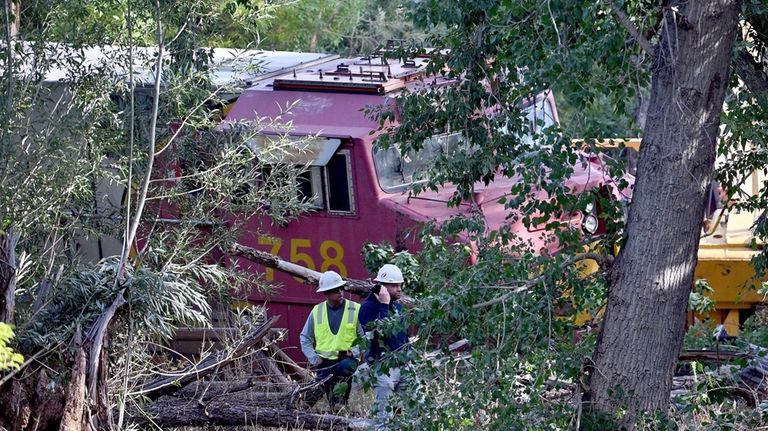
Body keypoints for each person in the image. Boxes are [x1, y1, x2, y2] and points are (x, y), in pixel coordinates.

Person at [300, 270, 363, 408]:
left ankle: (340, 403)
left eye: (341, 288)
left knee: (345, 369)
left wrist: (354, 351)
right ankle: (309, 407)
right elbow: (305, 337)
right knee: (319, 388)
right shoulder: (317, 311)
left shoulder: (355, 309)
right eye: (335, 290)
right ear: (326, 293)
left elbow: (365, 337)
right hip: (324, 361)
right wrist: (314, 358)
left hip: (347, 359)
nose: (340, 292)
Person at [358, 264, 409, 431]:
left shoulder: (398, 307)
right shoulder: (368, 308)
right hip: (382, 367)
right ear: (381, 286)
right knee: (383, 419)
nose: (399, 289)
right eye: (394, 285)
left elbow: (403, 337)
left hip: (403, 365)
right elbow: (379, 332)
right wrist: (384, 305)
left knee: (413, 410)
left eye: (400, 285)